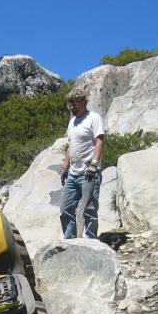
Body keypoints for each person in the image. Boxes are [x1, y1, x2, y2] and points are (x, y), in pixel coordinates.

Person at [60, 88, 105, 239]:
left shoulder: (94, 118)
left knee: (89, 208)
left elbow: (99, 141)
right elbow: (71, 146)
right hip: (73, 174)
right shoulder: (72, 122)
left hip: (89, 172)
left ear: (84, 103)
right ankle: (70, 241)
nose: (72, 108)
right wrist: (65, 168)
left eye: (75, 104)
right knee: (65, 208)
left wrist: (94, 165)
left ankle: (91, 240)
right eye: (70, 105)